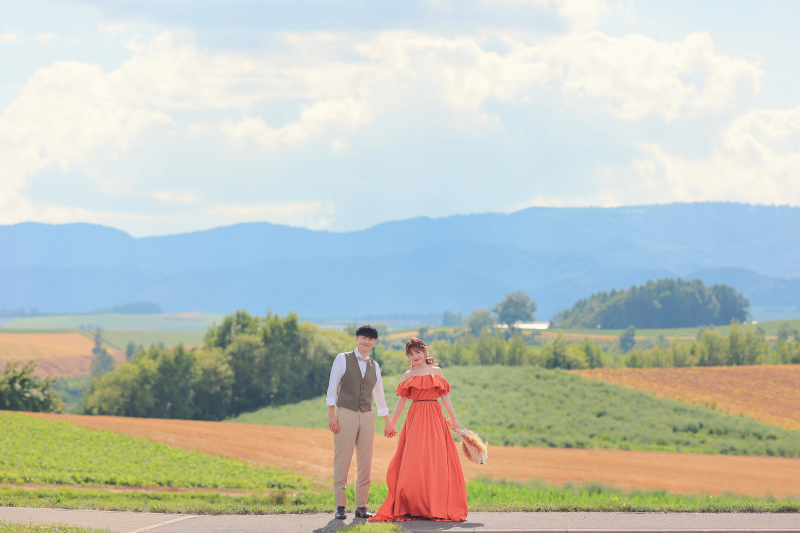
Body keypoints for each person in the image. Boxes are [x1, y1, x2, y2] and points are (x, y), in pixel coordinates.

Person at [370, 337, 468, 523]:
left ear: (425, 352)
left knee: (435, 460)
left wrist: (454, 419)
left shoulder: (437, 371)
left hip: (435, 417)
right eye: (411, 354)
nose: (415, 356)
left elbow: (445, 397)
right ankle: (414, 504)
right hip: (415, 418)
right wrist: (391, 422)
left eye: (418, 352)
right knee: (414, 460)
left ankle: (434, 505)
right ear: (408, 356)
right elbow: (401, 401)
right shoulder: (408, 375)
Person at [327, 324, 397, 520]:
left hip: (367, 415)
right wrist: (331, 414)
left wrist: (387, 421)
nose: (367, 341)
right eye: (364, 337)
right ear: (357, 338)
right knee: (342, 460)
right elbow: (332, 387)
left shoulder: (375, 366)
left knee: (365, 462)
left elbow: (379, 396)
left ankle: (361, 506)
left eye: (371, 339)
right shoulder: (342, 359)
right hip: (345, 413)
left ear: (374, 342)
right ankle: (340, 506)